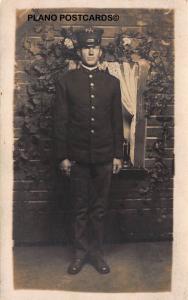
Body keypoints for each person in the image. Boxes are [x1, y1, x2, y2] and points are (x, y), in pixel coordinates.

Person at [54, 27, 124, 275]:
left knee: (100, 208)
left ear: (100, 51)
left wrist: (118, 154)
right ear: (80, 51)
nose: (91, 51)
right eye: (86, 47)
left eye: (94, 47)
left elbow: (117, 122)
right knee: (80, 208)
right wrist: (62, 155)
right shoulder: (66, 81)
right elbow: (61, 121)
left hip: (105, 156)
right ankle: (80, 254)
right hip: (78, 157)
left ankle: (97, 254)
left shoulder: (112, 83)